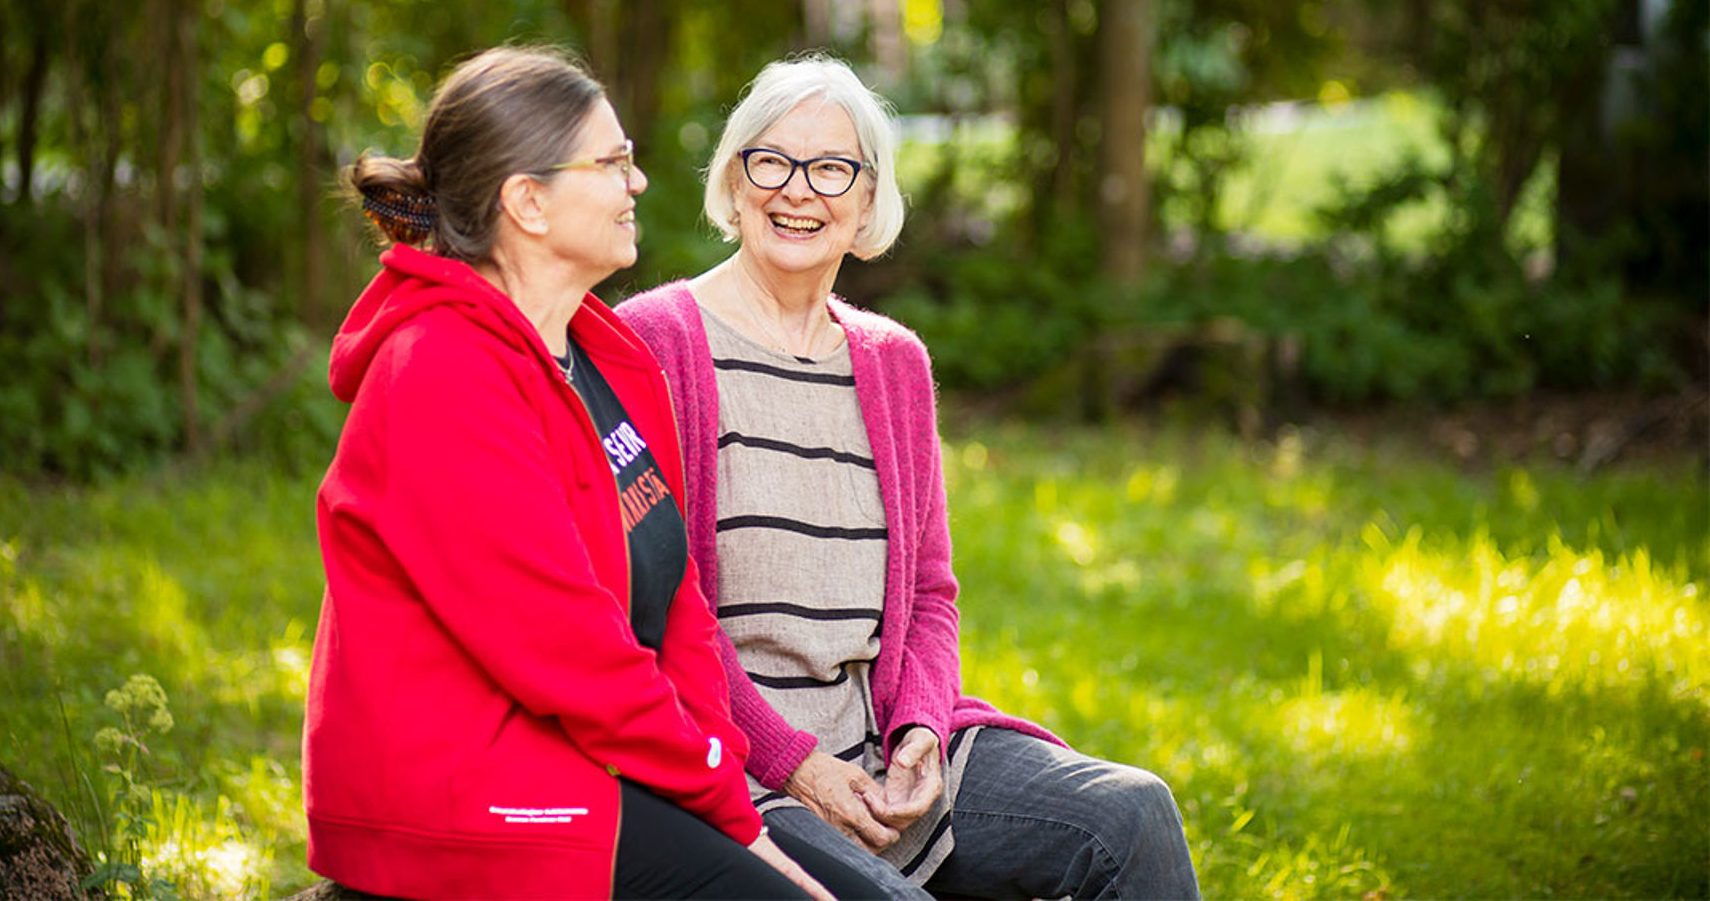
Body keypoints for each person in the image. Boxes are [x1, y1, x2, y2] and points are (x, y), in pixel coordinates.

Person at [616, 54, 1202, 901]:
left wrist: (921, 726)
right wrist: (800, 763)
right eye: (770, 162)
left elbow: (930, 594)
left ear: (866, 202)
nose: (798, 191)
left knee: (1131, 813)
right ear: (735, 183)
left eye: (831, 169)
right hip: (746, 768)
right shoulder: (653, 342)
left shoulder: (894, 362)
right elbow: (664, 612)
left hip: (885, 751)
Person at [303, 45, 870, 900]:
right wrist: (727, 802)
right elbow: (569, 652)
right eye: (612, 163)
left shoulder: (603, 356)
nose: (635, 183)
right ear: (527, 201)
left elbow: (674, 596)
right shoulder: (440, 373)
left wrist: (722, 785)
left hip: (589, 756)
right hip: (475, 796)